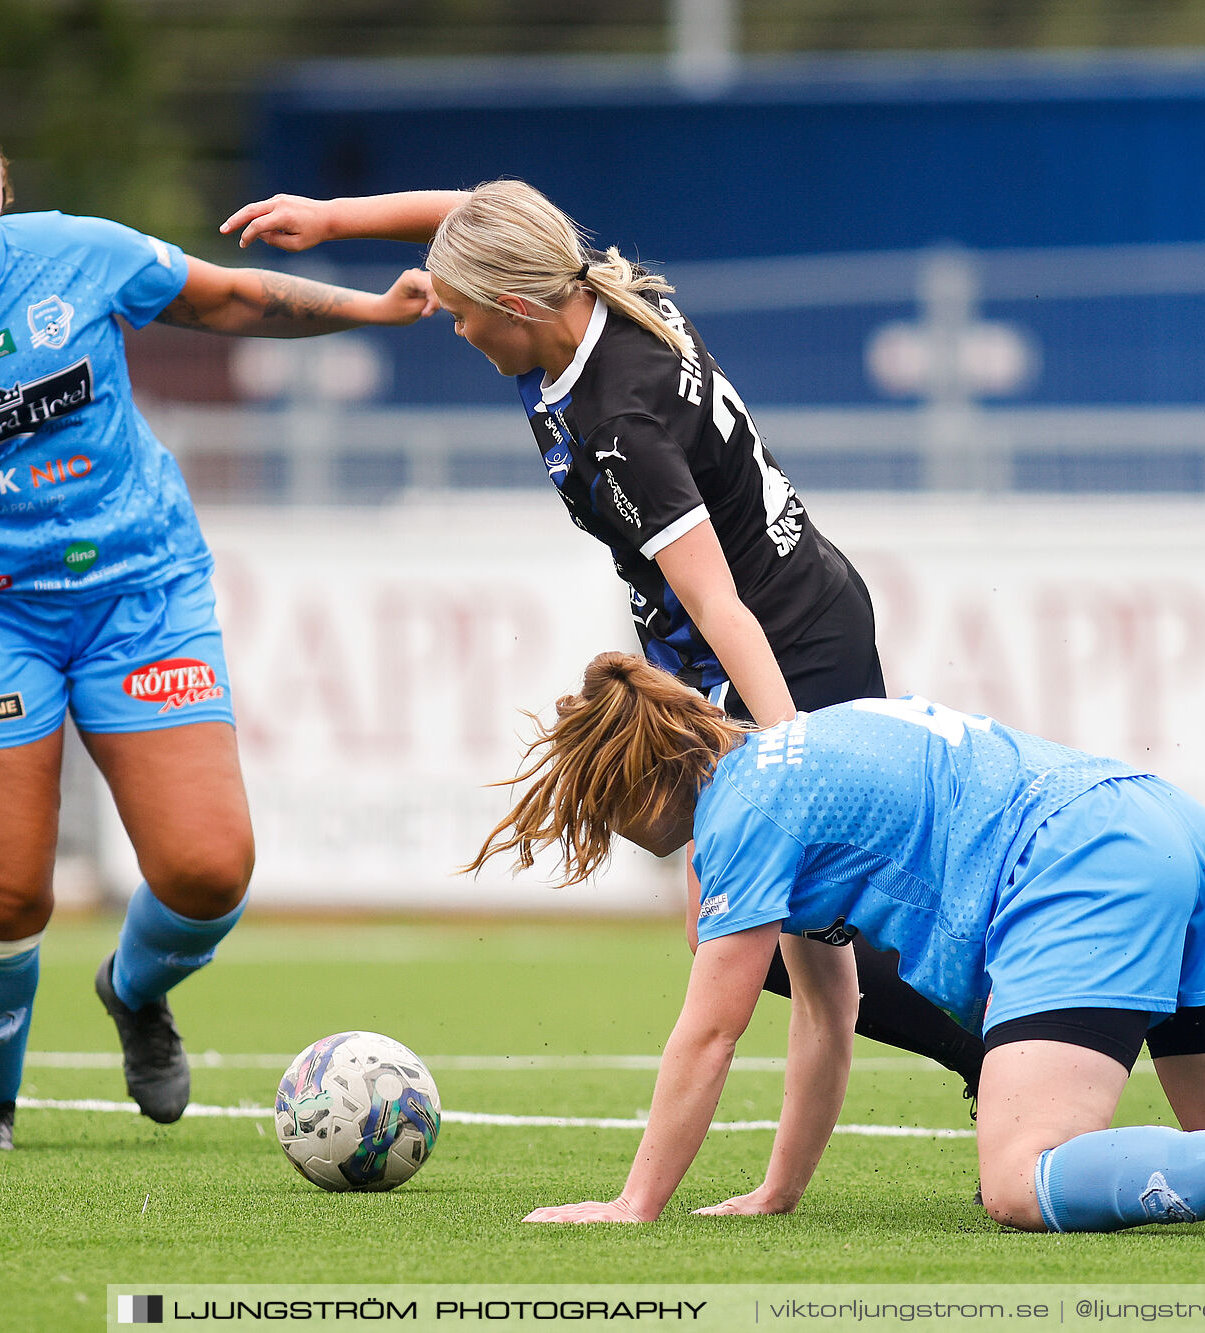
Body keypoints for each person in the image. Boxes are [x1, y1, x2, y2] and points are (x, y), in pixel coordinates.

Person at [222, 181, 988, 1108]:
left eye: (460, 314)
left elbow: (719, 603)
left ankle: (994, 1040)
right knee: (767, 914)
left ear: (513, 307)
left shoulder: (617, 420)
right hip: (763, 618)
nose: (453, 331)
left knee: (757, 913)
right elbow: (479, 209)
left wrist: (792, 757)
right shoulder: (585, 292)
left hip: (779, 640)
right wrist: (337, 219)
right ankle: (963, 1043)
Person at [473, 653, 1205, 1237]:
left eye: (598, 812)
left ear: (636, 783)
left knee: (1022, 1177)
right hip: (1169, 829)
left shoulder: (735, 820)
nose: (611, 838)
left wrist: (638, 1205)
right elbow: (822, 1010)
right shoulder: (801, 753)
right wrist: (781, 1189)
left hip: (1079, 868)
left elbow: (710, 1026)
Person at [0, 100, 439, 1150]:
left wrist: (372, 311)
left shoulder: (79, 255)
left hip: (142, 593)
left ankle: (134, 992)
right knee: (2, 897)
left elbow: (226, 298)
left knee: (208, 869)